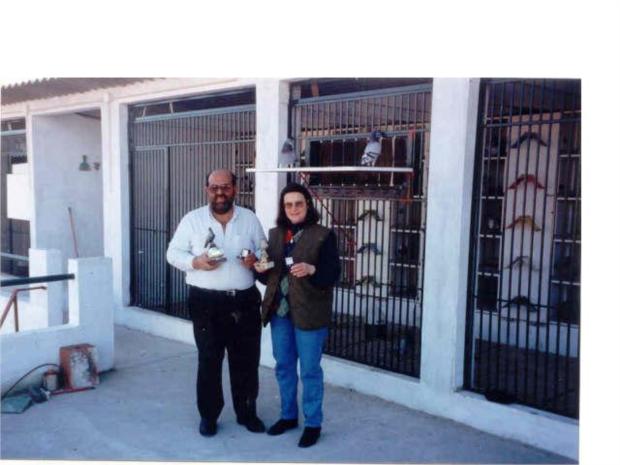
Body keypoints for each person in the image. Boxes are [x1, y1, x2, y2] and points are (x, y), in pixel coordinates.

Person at [166, 169, 267, 437]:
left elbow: (265, 252)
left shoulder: (249, 219)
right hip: (206, 303)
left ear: (235, 189)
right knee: (209, 361)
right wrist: (195, 262)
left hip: (244, 302)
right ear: (206, 189)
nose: (219, 193)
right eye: (214, 188)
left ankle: (246, 413)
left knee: (246, 361)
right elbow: (172, 253)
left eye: (225, 187)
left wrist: (255, 260)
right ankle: (208, 416)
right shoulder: (192, 220)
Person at [254, 182, 340, 448]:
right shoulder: (275, 234)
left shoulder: (324, 235)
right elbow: (267, 276)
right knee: (284, 366)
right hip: (280, 313)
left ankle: (313, 423)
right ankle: (288, 416)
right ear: (283, 208)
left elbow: (332, 274)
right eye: (288, 204)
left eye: (298, 203)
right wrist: (258, 269)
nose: (293, 209)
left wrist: (312, 270)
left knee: (310, 370)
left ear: (308, 205)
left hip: (310, 314)